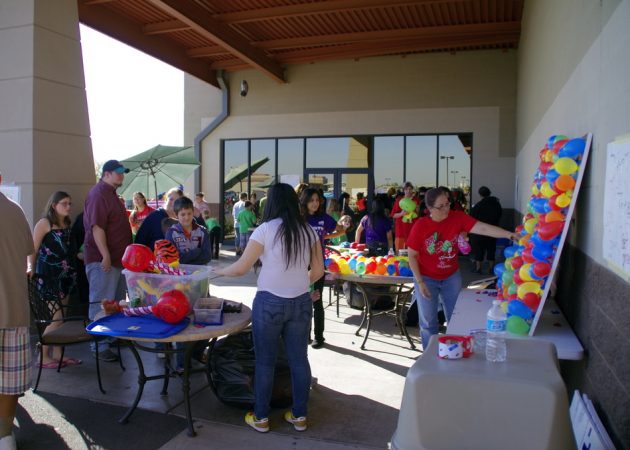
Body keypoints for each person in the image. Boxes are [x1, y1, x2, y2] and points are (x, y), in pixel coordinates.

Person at [214, 183, 323, 434]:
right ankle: (299, 416)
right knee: (299, 360)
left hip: (269, 302)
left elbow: (241, 268)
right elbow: (317, 271)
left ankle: (261, 417)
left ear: (271, 203)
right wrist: (297, 283)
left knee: (265, 362)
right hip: (301, 303)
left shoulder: (264, 230)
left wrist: (218, 270)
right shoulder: (307, 230)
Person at [406, 188, 518, 350]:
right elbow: (412, 255)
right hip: (426, 277)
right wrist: (420, 281)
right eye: (441, 206)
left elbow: (483, 228)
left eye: (447, 204)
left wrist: (509, 235)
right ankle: (429, 356)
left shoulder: (457, 217)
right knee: (429, 322)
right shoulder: (421, 225)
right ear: (430, 208)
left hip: (451, 276)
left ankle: (454, 351)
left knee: (455, 317)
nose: (446, 209)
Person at [83, 160, 133, 362]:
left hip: (118, 261)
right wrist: (105, 254)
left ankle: (111, 338)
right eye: (118, 172)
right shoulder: (98, 194)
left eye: (123, 172)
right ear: (106, 174)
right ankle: (99, 344)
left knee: (115, 303)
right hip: (103, 260)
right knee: (101, 302)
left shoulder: (112, 195)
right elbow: (97, 227)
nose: (122, 175)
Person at [0, 173, 34, 450]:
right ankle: (5, 435)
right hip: (13, 309)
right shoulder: (15, 210)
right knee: (9, 381)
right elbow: (26, 255)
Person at [27, 191, 80, 368]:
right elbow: (33, 249)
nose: (68, 207)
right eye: (64, 203)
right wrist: (31, 268)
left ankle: (58, 354)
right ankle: (42, 354)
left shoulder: (66, 223)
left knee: (62, 317)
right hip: (49, 276)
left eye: (70, 203)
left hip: (66, 276)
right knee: (56, 317)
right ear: (53, 205)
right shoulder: (44, 223)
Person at [300, 188, 345, 349]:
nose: (315, 203)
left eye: (317, 200)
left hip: (318, 264)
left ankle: (319, 337)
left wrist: (341, 222)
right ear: (304, 201)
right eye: (311, 200)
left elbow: (340, 230)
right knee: (302, 300)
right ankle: (305, 334)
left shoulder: (323, 217)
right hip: (300, 265)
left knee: (317, 301)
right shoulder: (299, 218)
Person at [165, 196, 211, 266]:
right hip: (179, 274)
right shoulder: (171, 233)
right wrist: (196, 252)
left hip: (199, 273)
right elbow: (172, 258)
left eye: (189, 213)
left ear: (193, 212)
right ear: (176, 215)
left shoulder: (203, 231)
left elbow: (207, 256)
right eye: (183, 214)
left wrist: (185, 258)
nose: (187, 218)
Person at [470, 186, 503, 274]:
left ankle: (478, 268)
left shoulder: (478, 205)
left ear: (480, 194)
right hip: (493, 231)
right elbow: (499, 215)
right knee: (491, 249)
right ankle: (491, 269)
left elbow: (472, 218)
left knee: (479, 250)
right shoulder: (496, 204)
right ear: (489, 193)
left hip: (480, 232)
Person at [390, 181, 420, 252]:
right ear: (404, 190)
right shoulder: (399, 201)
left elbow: (418, 215)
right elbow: (393, 215)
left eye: (410, 189)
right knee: (400, 252)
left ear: (412, 190)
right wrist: (401, 214)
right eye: (406, 189)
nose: (408, 191)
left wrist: (417, 210)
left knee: (412, 253)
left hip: (412, 231)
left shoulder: (416, 200)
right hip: (401, 232)